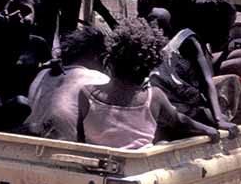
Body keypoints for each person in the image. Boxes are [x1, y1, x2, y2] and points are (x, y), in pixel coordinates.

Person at [77, 19, 219, 149]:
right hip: (141, 166)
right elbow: (179, 121)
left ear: (110, 61)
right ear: (150, 68)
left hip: (97, 165)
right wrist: (207, 129)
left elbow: (80, 136)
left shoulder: (86, 93)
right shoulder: (154, 97)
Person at [150, 0, 241, 137]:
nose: (228, 34)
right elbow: (206, 82)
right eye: (226, 27)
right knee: (231, 85)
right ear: (212, 25)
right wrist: (218, 120)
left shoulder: (190, 38)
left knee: (232, 81)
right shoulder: (191, 41)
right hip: (175, 108)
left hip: (175, 104)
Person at [23, 25, 110, 140]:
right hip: (66, 150)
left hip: (30, 142)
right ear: (96, 56)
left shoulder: (43, 74)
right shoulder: (98, 79)